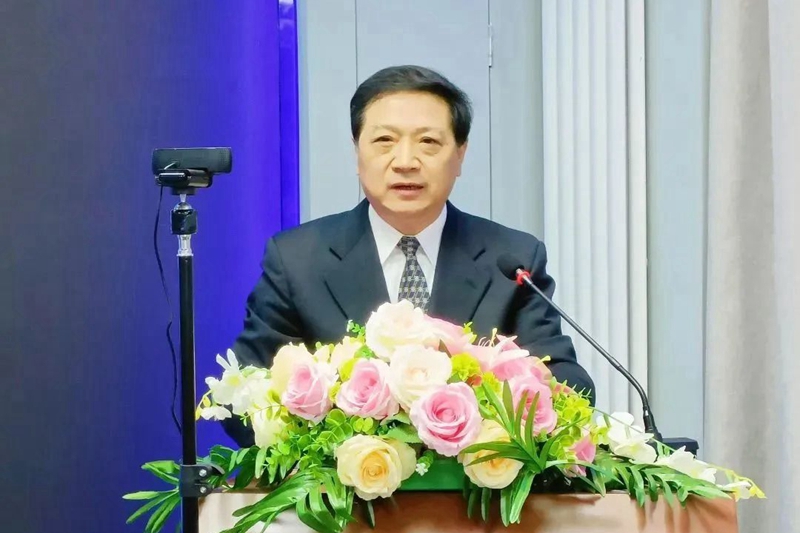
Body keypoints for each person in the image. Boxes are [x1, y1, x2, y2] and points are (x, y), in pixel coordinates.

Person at [223, 65, 594, 447]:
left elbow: (568, 385)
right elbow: (244, 395)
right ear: (357, 152)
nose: (405, 161)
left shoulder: (512, 260)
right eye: (384, 140)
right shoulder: (298, 260)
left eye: (428, 142)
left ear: (460, 154)